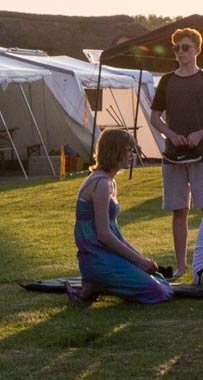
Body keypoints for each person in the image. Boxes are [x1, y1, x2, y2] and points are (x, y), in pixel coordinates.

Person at [150, 28, 203, 280]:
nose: (180, 52)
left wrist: (199, 134)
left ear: (197, 50)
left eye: (185, 47)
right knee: (178, 210)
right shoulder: (166, 81)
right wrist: (171, 135)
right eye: (176, 48)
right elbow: (155, 117)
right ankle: (181, 266)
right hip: (173, 154)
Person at [67, 129, 172, 306]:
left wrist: (140, 258)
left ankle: (97, 285)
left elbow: (114, 231)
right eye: (128, 150)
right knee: (158, 292)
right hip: (96, 256)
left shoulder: (110, 182)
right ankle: (97, 282)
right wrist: (138, 260)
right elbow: (103, 234)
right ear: (115, 151)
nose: (132, 154)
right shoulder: (100, 184)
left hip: (106, 253)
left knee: (158, 278)